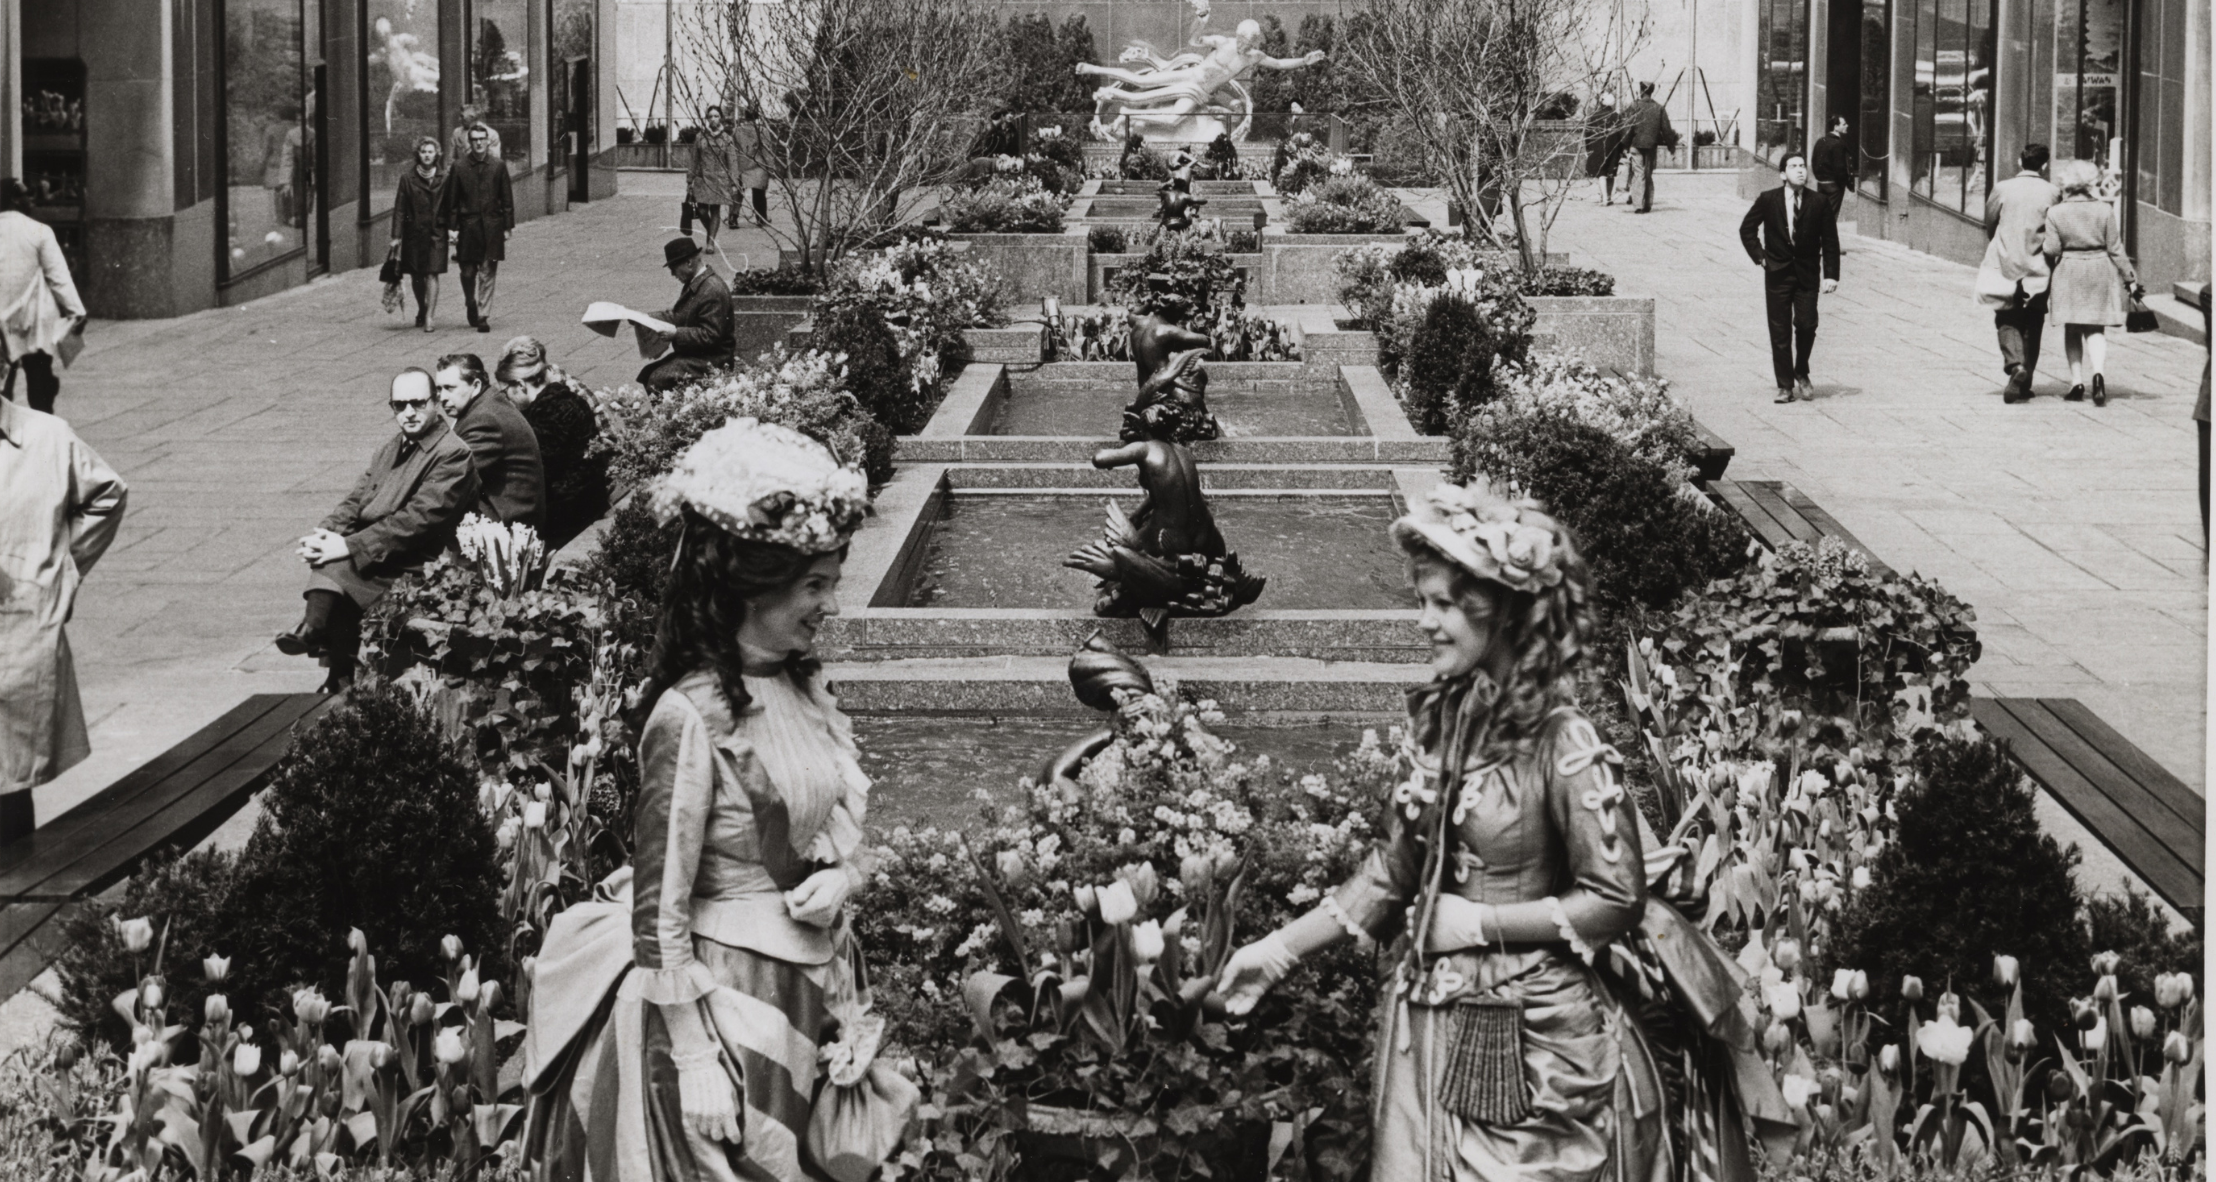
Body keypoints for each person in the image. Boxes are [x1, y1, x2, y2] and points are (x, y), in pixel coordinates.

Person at [1214, 479, 1793, 1181]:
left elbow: (1616, 899)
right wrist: (1275, 952)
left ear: (1506, 614)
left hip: (1540, 1049)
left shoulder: (1566, 742)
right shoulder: (1450, 724)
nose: (1427, 622)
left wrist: (1480, 924)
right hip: (1433, 1033)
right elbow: (1391, 873)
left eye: (1447, 605)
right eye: (1423, 603)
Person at [520, 418, 916, 1182]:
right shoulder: (688, 716)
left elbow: (828, 828)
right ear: (750, 589)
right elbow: (659, 907)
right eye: (814, 585)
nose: (829, 605)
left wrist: (846, 876)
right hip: (726, 1008)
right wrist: (695, 1057)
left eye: (831, 582)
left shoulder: (802, 688)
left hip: (810, 988)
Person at [276, 369, 474, 693]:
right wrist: (325, 533)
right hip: (387, 552)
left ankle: (318, 640)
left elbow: (417, 521)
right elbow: (357, 499)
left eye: (417, 403)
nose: (408, 412)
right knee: (332, 559)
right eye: (399, 406)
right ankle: (326, 655)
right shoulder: (392, 446)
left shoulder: (452, 453)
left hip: (421, 562)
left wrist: (349, 545)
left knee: (338, 564)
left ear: (435, 402)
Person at [0, 392, 126, 842]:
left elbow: (108, 494)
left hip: (15, 635)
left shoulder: (45, 437)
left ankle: (17, 903)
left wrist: (64, 571)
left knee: (7, 784)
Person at [1740, 151, 1841, 403]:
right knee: (1780, 330)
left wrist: (1831, 275)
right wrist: (1760, 256)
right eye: (1794, 166)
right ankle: (1785, 385)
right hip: (1777, 274)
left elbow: (1830, 241)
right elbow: (1747, 229)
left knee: (1807, 325)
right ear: (1783, 174)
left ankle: (1801, 370)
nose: (1800, 170)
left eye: (1803, 166)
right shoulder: (1768, 199)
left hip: (1807, 275)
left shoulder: (1819, 202)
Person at [2042, 157, 2141, 407]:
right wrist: (2130, 278)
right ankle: (2099, 376)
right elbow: (2116, 249)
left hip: (2069, 271)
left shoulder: (2056, 212)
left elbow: (2052, 249)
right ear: (2091, 182)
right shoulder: (2104, 210)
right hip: (2099, 269)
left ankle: (2076, 383)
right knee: (2095, 328)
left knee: (2072, 328)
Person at [497, 336, 609, 550]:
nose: (507, 398)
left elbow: (536, 480)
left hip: (565, 519)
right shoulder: (571, 399)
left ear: (520, 384)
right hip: (591, 500)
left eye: (506, 391)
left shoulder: (543, 419)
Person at [1980, 143, 2058, 403]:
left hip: (2005, 263)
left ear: (2019, 161)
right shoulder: (2052, 192)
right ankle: (2027, 381)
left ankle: (2016, 365)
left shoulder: (2002, 188)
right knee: (2033, 321)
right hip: (2039, 266)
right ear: (2044, 165)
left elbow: (1990, 222)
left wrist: (2001, 243)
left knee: (2006, 316)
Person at [0, 178, 85, 414]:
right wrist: (77, 311)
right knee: (40, 389)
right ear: (15, 200)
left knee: (2, 393)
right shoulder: (39, 231)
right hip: (33, 324)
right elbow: (59, 277)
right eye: (26, 194)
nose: (31, 199)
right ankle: (42, 434)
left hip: (0, 330)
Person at [433, 351, 544, 528]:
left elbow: (448, 476)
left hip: (506, 527)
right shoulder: (486, 404)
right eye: (439, 389)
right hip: (506, 515)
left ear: (476, 385)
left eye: (449, 388)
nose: (442, 398)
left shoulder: (485, 420)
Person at [638, 237, 735, 392]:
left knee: (658, 380)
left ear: (689, 263)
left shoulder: (712, 289)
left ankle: (671, 414)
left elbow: (711, 335)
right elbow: (678, 315)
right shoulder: (697, 283)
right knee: (648, 374)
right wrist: (644, 318)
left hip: (713, 359)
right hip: (700, 355)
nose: (672, 274)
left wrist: (676, 334)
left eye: (673, 268)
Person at [445, 124, 513, 334]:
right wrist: (452, 228)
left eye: (482, 139)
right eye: (475, 139)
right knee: (467, 272)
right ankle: (470, 301)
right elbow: (452, 201)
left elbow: (506, 198)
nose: (479, 143)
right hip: (468, 226)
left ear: (488, 140)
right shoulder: (459, 167)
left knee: (488, 272)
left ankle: (483, 315)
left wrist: (507, 226)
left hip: (492, 226)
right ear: (469, 142)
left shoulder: (498, 165)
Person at [390, 136, 450, 333]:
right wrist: (396, 237)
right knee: (417, 275)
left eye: (430, 152)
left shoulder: (445, 177)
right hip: (414, 232)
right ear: (418, 154)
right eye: (423, 152)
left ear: (436, 155)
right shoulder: (408, 179)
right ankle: (422, 307)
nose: (427, 155)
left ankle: (429, 317)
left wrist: (453, 228)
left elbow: (452, 205)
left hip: (436, 232)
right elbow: (399, 209)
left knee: (432, 272)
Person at [683, 105, 738, 250]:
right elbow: (694, 159)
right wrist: (690, 179)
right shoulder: (700, 137)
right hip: (702, 179)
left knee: (715, 210)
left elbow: (732, 161)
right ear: (706, 119)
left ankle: (710, 242)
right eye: (710, 116)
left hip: (719, 179)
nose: (713, 119)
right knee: (701, 210)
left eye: (716, 116)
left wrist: (734, 183)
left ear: (721, 118)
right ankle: (711, 234)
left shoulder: (727, 139)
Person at [1621, 81, 1677, 213]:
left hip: (1636, 144)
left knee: (1638, 174)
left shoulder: (1634, 106)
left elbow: (1627, 128)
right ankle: (1648, 204)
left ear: (1641, 91)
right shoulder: (1659, 108)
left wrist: (1624, 145)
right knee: (1648, 174)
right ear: (1651, 92)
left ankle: (1638, 205)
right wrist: (1671, 147)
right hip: (1651, 145)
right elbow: (1666, 130)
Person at [1582, 92, 1627, 205]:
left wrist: (1588, 148)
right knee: (1611, 172)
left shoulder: (1593, 117)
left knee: (1601, 173)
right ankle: (1609, 197)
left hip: (1597, 147)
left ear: (1601, 102)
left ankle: (1604, 198)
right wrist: (1622, 150)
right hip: (1614, 147)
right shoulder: (1616, 116)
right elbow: (1622, 134)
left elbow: (1587, 134)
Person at [1810, 115, 1855, 221]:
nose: (1847, 126)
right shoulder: (1838, 144)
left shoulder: (1820, 141)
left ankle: (1819, 236)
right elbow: (1840, 168)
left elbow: (1814, 161)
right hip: (1834, 186)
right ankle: (1827, 237)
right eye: (1844, 124)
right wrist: (1842, 184)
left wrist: (1819, 178)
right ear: (1836, 127)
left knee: (1822, 214)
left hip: (1821, 184)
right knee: (1830, 217)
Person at [733, 104, 770, 226]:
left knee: (738, 192)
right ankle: (761, 219)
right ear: (758, 115)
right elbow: (766, 150)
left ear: (745, 116)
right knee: (759, 193)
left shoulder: (737, 130)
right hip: (758, 165)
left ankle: (733, 218)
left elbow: (733, 149)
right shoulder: (762, 131)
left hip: (742, 165)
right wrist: (771, 166)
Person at [447, 103, 503, 167]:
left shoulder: (491, 134)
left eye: (462, 116)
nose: (459, 119)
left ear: (472, 117)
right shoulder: (457, 132)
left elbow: (494, 161)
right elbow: (451, 159)